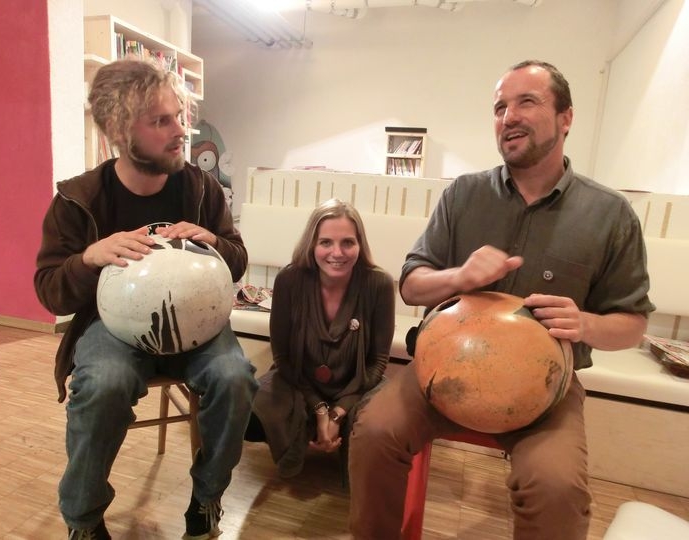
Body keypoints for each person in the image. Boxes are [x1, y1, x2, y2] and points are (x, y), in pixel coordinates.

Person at [348, 60, 654, 540]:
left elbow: (633, 323)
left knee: (556, 488)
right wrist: (459, 276)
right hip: (442, 370)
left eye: (526, 102)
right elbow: (410, 285)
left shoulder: (609, 214)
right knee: (374, 432)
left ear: (566, 117)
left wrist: (586, 324)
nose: (508, 116)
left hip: (544, 389)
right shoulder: (464, 194)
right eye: (499, 107)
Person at [34, 59, 258, 540]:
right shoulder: (77, 200)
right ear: (120, 131)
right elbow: (49, 289)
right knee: (104, 383)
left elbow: (238, 260)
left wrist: (216, 244)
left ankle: (207, 497)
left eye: (178, 116)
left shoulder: (202, 188)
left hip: (199, 324)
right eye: (161, 121)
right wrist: (89, 258)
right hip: (112, 327)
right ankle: (84, 518)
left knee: (234, 378)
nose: (180, 132)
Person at [246, 199, 395, 479]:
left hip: (359, 383)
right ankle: (303, 436)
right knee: (249, 410)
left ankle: (345, 447)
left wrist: (338, 412)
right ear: (311, 244)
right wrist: (319, 407)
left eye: (347, 242)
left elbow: (377, 362)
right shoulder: (289, 279)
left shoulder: (379, 284)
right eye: (326, 242)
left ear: (360, 245)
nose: (337, 253)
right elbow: (283, 357)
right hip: (298, 380)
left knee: (384, 423)